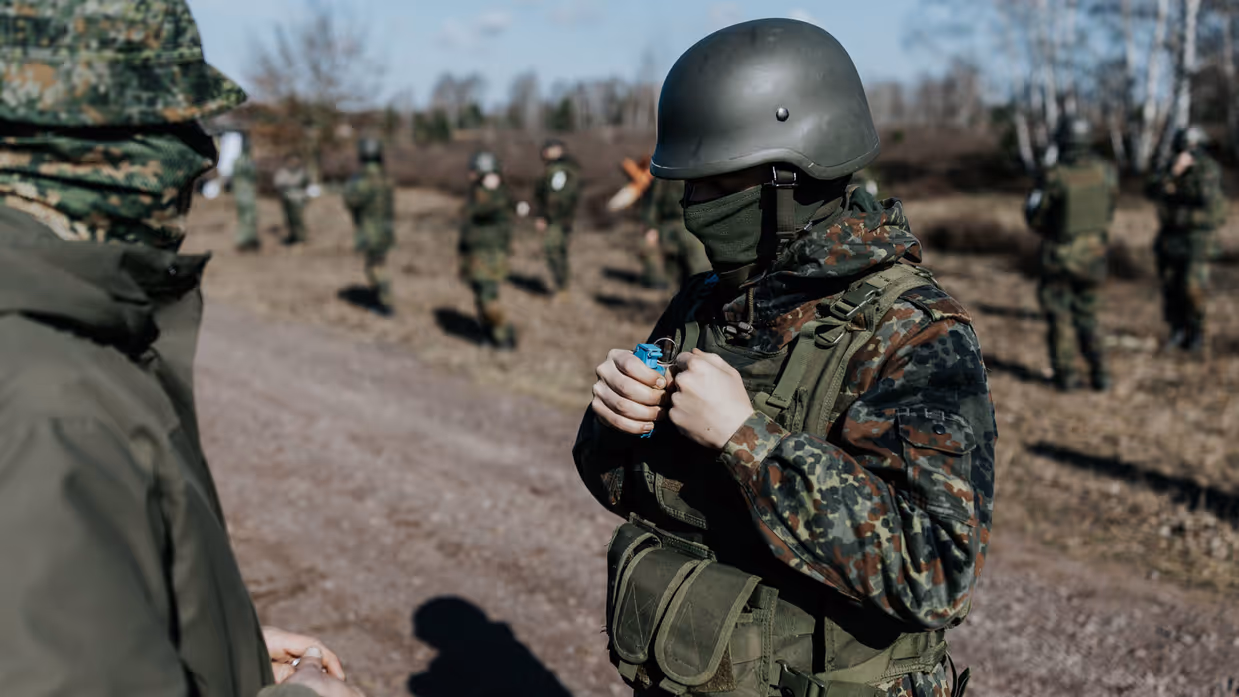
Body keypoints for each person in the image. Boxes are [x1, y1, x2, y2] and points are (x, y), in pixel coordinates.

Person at [573, 19, 995, 697]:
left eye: (712, 186)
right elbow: (624, 492)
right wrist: (615, 428)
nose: (692, 209)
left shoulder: (911, 331)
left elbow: (935, 572)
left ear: (791, 177)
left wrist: (747, 442)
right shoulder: (707, 302)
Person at [0, 1, 362, 695]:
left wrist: (217, 649)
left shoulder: (54, 338)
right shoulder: (46, 403)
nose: (196, 155)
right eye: (165, 122)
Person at [1024, 118, 1118, 391]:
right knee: (1089, 316)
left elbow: (1036, 219)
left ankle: (1067, 377)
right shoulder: (1106, 172)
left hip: (1060, 257)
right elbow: (1109, 208)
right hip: (1094, 254)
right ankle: (1102, 375)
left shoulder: (1055, 175)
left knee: (1060, 317)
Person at [1146, 126, 1228, 353]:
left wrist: (1179, 208)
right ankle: (1177, 330)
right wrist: (1173, 172)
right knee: (1171, 286)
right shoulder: (1171, 168)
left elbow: (1208, 200)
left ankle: (1197, 331)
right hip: (1170, 240)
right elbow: (1152, 190)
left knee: (1193, 287)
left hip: (1197, 241)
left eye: (1192, 147)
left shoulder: (1208, 169)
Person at [460, 151, 517, 349]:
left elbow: (482, 210)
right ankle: (488, 333)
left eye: (474, 171)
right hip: (475, 254)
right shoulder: (477, 192)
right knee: (479, 296)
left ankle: (505, 334)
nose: (470, 175)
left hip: (491, 255)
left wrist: (489, 188)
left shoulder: (496, 195)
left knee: (488, 298)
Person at [343, 137, 396, 316]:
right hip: (385, 228)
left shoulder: (364, 179)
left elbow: (351, 200)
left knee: (375, 266)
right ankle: (379, 297)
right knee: (377, 262)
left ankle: (385, 303)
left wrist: (351, 184)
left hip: (371, 229)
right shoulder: (385, 177)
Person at [639, 177, 711, 291]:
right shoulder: (664, 174)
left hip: (695, 227)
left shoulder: (700, 171)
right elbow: (654, 200)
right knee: (673, 273)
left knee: (700, 273)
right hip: (670, 228)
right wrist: (650, 227)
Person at [533, 139, 581, 296]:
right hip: (560, 218)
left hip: (558, 219)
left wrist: (545, 217)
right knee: (558, 250)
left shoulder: (560, 170)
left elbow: (557, 197)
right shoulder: (557, 168)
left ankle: (562, 287)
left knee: (552, 249)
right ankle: (562, 286)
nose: (545, 153)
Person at [274, 153, 311, 245]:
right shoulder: (283, 172)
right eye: (292, 161)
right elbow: (279, 183)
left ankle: (301, 238)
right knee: (289, 219)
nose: (294, 163)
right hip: (286, 198)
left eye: (296, 161)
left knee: (298, 218)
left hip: (298, 199)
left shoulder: (302, 172)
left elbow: (305, 183)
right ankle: (293, 236)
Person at [234, 132, 261, 252]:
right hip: (242, 191)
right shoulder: (240, 161)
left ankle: (250, 239)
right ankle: (244, 239)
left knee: (251, 216)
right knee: (246, 216)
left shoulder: (248, 160)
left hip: (248, 191)